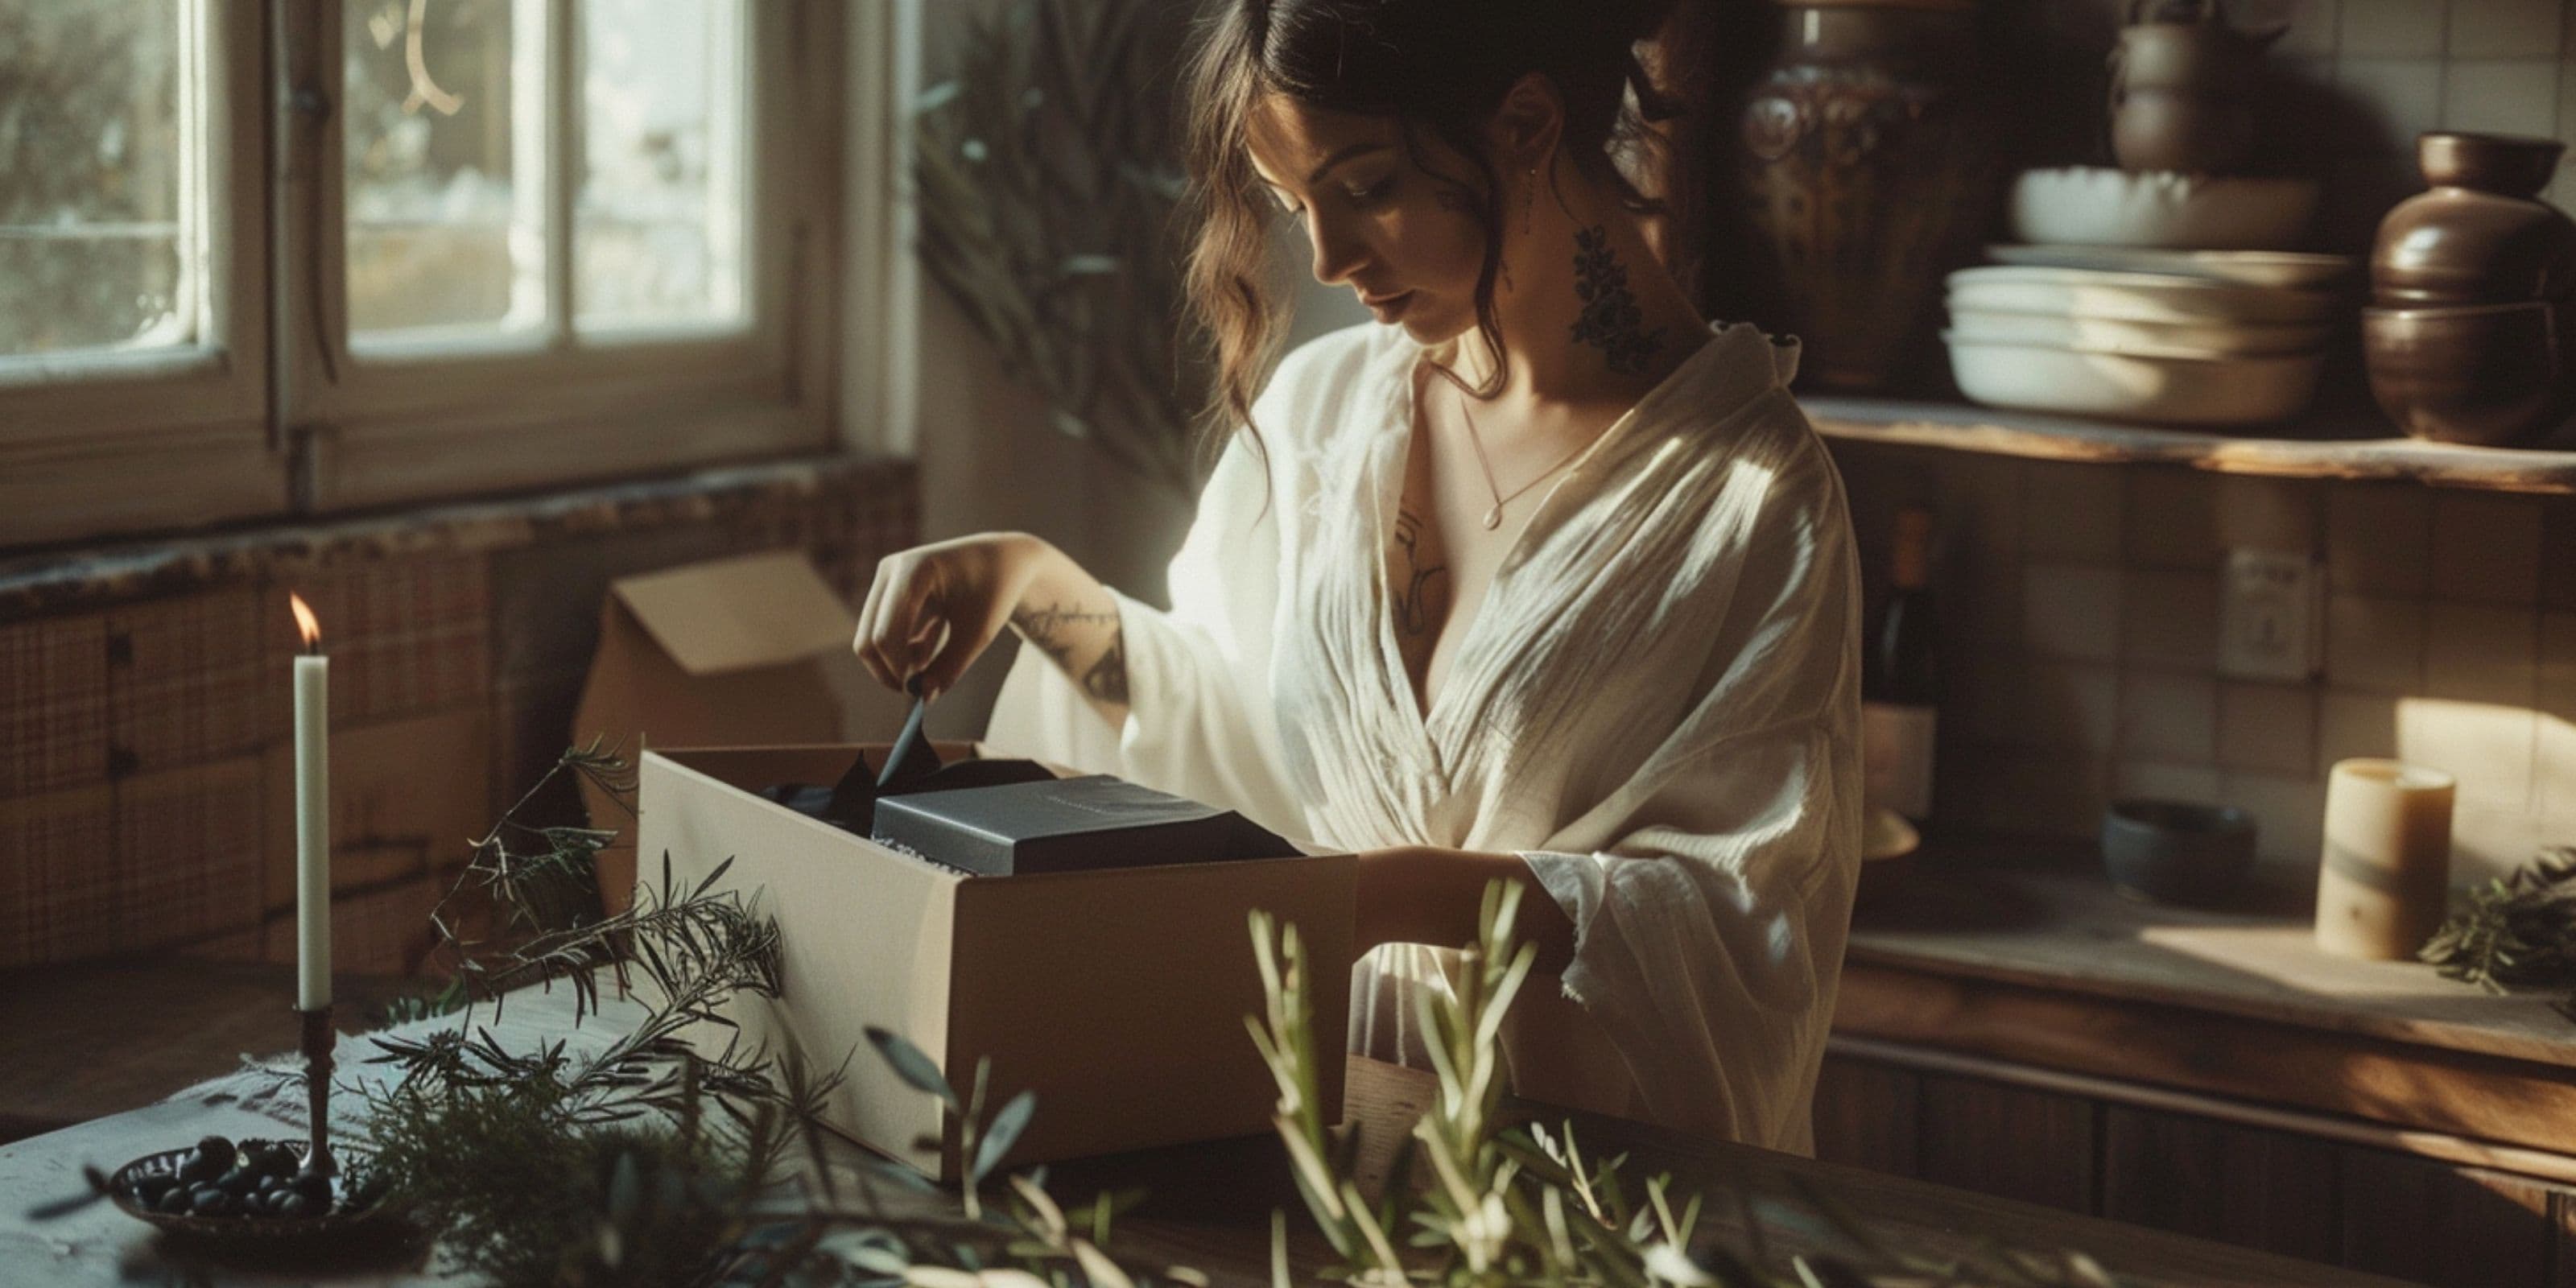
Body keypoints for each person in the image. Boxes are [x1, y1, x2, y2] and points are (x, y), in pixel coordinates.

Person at [853, 0, 1861, 1155]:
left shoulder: (1750, 497)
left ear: (1527, 122)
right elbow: (1225, 738)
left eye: (1370, 187)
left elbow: (1738, 922)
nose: (1329, 260)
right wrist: (1032, 583)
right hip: (1307, 1136)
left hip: (1563, 1186)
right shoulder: (1324, 411)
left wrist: (1396, 894)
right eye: (1294, 208)